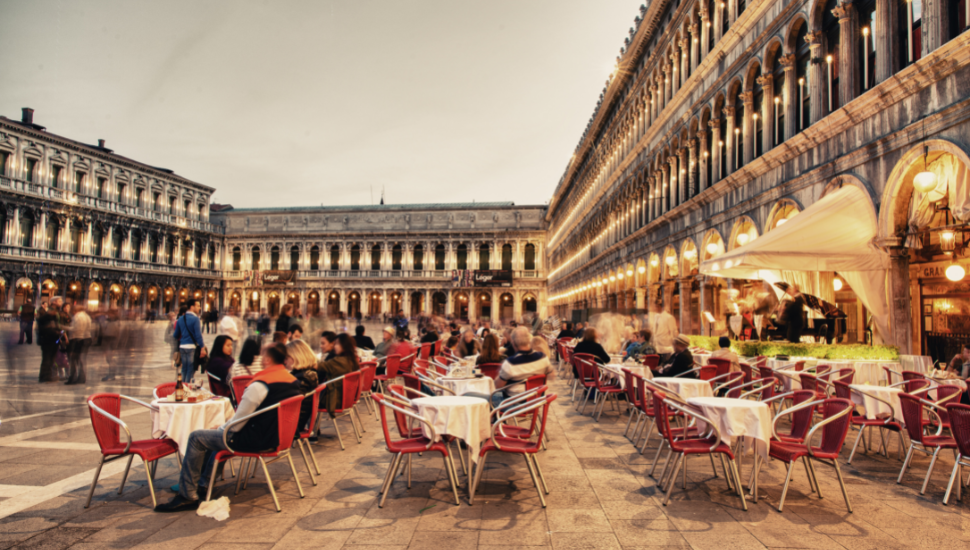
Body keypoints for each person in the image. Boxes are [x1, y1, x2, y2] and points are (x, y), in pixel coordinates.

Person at [154, 343, 302, 513]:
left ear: (267, 359)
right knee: (213, 435)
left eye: (262, 355)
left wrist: (221, 428)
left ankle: (187, 495)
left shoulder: (261, 384)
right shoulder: (291, 380)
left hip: (256, 439)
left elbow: (238, 422)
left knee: (197, 437)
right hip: (279, 438)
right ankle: (203, 484)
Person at [492, 327, 556, 406]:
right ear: (529, 340)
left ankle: (498, 418)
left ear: (513, 343)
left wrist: (499, 373)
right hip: (535, 401)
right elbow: (552, 375)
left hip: (514, 404)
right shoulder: (543, 357)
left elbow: (497, 386)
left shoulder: (510, 363)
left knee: (490, 397)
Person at [316, 333, 361, 418]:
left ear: (344, 345)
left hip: (334, 400)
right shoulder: (352, 359)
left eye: (337, 344)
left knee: (306, 401)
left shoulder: (339, 361)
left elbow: (318, 366)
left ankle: (309, 429)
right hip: (346, 398)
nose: (335, 346)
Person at [285, 339, 320, 430]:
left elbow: (289, 404)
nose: (285, 361)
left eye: (286, 358)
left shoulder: (300, 378)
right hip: (298, 422)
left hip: (292, 426)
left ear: (295, 357)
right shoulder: (309, 374)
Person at [173, 299, 207, 383]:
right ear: (192, 307)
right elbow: (198, 335)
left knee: (184, 368)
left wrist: (183, 337)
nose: (199, 308)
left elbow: (175, 335)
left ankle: (182, 386)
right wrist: (202, 347)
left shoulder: (180, 318)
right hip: (191, 347)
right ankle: (187, 387)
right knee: (190, 369)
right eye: (198, 306)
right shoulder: (195, 319)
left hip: (182, 347)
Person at [36, 298, 64, 383]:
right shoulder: (49, 313)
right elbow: (44, 324)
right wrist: (57, 332)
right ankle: (44, 376)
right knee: (47, 358)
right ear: (54, 302)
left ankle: (47, 375)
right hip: (48, 338)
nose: (61, 303)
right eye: (59, 301)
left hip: (53, 338)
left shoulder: (55, 312)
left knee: (51, 358)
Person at [65, 303, 92, 385]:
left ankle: (76, 377)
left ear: (75, 310)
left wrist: (63, 327)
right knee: (81, 359)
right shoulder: (87, 316)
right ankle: (81, 377)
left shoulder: (78, 317)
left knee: (75, 358)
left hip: (79, 339)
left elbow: (77, 329)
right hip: (86, 338)